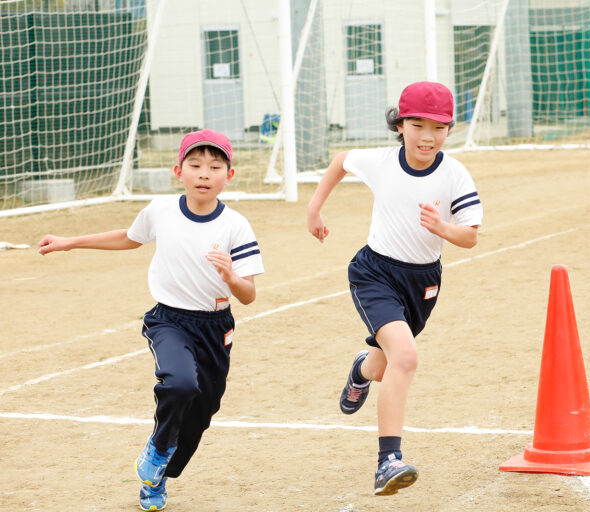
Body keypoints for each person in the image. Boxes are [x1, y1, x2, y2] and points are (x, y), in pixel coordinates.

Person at [38, 129, 264, 511]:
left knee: (202, 411)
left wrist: (231, 278)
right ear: (179, 171)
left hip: (215, 327)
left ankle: (157, 476)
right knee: (179, 384)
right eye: (195, 165)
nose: (204, 174)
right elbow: (129, 237)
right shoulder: (161, 210)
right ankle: (157, 451)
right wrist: (70, 241)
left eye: (214, 166)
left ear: (230, 175)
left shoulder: (236, 226)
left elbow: (249, 294)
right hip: (169, 321)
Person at [306, 81, 483, 496]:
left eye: (438, 127)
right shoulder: (381, 162)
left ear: (450, 129)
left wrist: (443, 227)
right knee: (405, 355)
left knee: (386, 364)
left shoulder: (454, 173)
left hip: (423, 282)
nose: (427, 136)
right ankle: (389, 460)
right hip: (375, 274)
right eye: (417, 125)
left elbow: (470, 236)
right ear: (399, 124)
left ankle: (361, 370)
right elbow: (339, 161)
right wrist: (315, 208)